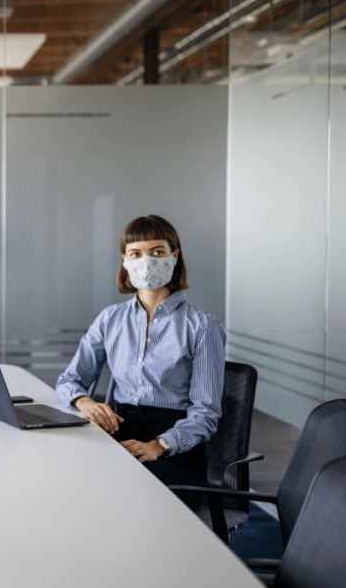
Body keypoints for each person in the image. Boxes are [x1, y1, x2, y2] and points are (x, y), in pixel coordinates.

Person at [56, 215, 225, 506]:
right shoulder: (110, 319)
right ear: (125, 260)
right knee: (68, 470)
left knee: (121, 486)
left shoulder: (201, 326)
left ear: (175, 256)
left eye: (157, 252)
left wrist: (160, 445)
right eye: (136, 253)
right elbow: (69, 380)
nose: (146, 261)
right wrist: (86, 403)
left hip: (174, 447)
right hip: (120, 427)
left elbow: (206, 413)